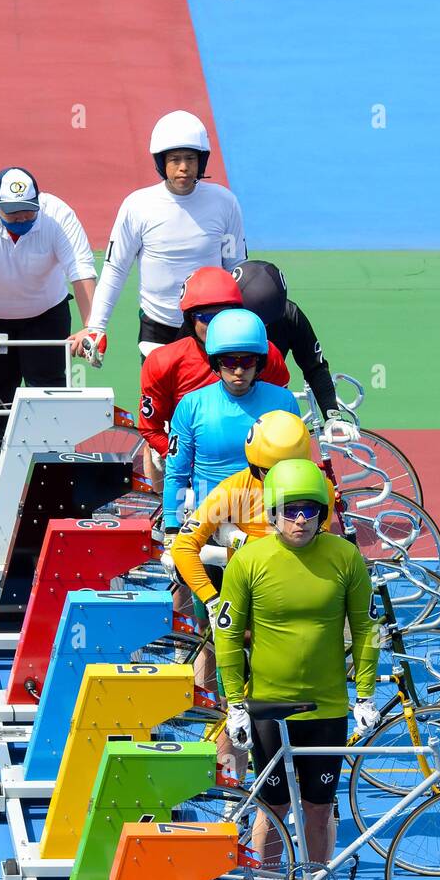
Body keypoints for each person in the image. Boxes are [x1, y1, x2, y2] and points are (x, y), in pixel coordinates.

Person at [213, 459, 380, 880]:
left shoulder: (346, 558)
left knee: (319, 807)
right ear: (272, 511)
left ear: (323, 512)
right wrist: (235, 702)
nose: (301, 519)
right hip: (269, 706)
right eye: (290, 510)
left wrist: (364, 693)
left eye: (310, 510)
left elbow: (366, 628)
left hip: (327, 707)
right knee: (273, 807)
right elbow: (225, 633)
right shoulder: (249, 559)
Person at [0, 167, 98, 446]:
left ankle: (51, 465)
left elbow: (81, 272)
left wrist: (91, 328)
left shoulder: (58, 216)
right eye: (13, 212)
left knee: (48, 389)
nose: (22, 217)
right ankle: (4, 466)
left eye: (28, 210)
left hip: (45, 314)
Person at [82, 111, 247, 367]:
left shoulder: (225, 203)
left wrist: (242, 322)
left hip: (210, 325)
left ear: (201, 161)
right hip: (157, 329)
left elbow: (236, 269)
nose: (183, 167)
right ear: (161, 163)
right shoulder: (137, 205)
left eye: (191, 158)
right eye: (175, 159)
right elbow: (116, 269)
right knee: (159, 406)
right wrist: (96, 326)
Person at [170, 410, 335, 624]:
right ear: (255, 467)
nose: (277, 481)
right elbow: (183, 547)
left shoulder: (323, 490)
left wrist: (240, 540)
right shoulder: (234, 488)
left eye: (285, 471)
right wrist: (213, 602)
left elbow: (311, 552)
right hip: (250, 591)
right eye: (270, 472)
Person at [138, 267, 290, 492]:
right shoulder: (162, 362)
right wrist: (177, 457)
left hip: (252, 469)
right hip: (192, 466)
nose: (217, 324)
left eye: (224, 315)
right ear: (190, 320)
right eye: (207, 317)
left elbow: (279, 420)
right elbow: (151, 429)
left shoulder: (268, 355)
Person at [161, 311, 300, 539]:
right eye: (229, 362)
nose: (238, 371)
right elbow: (176, 472)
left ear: (260, 362)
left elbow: (296, 468)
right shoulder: (191, 405)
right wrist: (172, 528)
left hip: (268, 525)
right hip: (211, 524)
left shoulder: (284, 402)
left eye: (247, 361)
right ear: (216, 362)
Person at [233, 260, 359, 442]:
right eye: (257, 321)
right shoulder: (209, 317)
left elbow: (315, 367)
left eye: (269, 321)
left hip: (268, 406)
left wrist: (332, 416)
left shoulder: (290, 315)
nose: (264, 327)